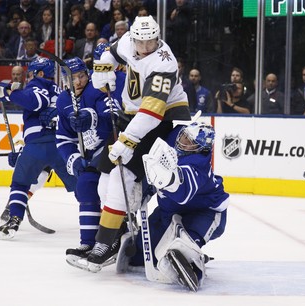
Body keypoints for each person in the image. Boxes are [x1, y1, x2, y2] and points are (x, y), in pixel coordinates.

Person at [87, 15, 191, 272]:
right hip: (132, 116)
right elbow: (110, 53)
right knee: (104, 177)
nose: (146, 47)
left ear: (158, 38)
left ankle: (104, 242)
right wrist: (103, 70)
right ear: (133, 38)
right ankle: (118, 231)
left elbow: (153, 113)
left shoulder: (163, 63)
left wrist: (128, 140)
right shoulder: (127, 41)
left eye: (152, 41)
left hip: (163, 119)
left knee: (121, 177)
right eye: (142, 42)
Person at [122, 122, 229, 291]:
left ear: (200, 148)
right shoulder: (176, 138)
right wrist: (144, 189)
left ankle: (193, 262)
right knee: (138, 255)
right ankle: (181, 251)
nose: (183, 141)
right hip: (169, 211)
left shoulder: (198, 163)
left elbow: (181, 193)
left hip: (205, 213)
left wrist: (166, 178)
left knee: (183, 245)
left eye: (190, 141)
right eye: (184, 136)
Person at [0, 56, 77, 240]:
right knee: (83, 186)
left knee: (20, 184)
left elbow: (36, 102)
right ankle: (102, 220)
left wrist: (8, 94)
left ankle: (13, 218)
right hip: (63, 144)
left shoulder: (38, 84)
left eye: (31, 74)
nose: (28, 78)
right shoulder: (60, 90)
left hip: (39, 143)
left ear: (39, 73)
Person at [55, 52, 125, 270]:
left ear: (87, 75)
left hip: (109, 150)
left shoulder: (97, 88)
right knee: (85, 188)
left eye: (81, 76)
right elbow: (63, 139)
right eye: (72, 78)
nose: (77, 81)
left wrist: (90, 116)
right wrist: (74, 160)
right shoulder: (63, 100)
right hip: (87, 157)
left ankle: (112, 237)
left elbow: (113, 113)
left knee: (107, 191)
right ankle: (88, 244)